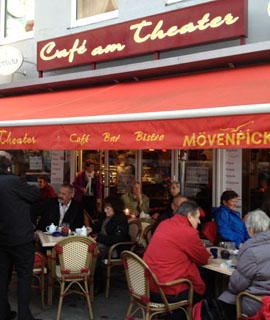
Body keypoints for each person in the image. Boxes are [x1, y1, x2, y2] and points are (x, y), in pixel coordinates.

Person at [143, 201, 210, 320]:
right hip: (167, 290)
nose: (199, 222)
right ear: (190, 215)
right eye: (198, 218)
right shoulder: (188, 232)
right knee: (205, 289)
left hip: (148, 286)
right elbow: (203, 259)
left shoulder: (164, 224)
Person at [0, 151, 42, 320]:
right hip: (20, 239)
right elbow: (35, 194)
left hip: (1, 240)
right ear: (8, 167)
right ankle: (24, 316)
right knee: (24, 277)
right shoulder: (14, 181)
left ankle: (3, 313)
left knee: (2, 279)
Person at [219, 209, 270, 319]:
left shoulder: (250, 251)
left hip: (259, 302)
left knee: (226, 298)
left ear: (250, 230)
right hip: (265, 299)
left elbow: (236, 286)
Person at [86, 195, 130, 294]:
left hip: (115, 248)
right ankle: (87, 279)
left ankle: (98, 284)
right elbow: (98, 225)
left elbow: (118, 238)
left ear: (115, 208)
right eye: (105, 208)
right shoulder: (106, 216)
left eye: (107, 208)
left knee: (94, 255)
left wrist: (99, 238)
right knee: (86, 250)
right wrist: (91, 229)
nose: (105, 210)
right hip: (104, 244)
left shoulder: (120, 219)